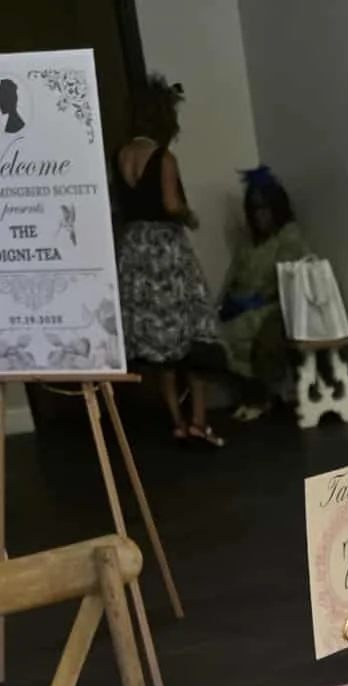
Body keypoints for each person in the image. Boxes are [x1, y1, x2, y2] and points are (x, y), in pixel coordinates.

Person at [114, 75, 225, 447]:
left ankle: (177, 422)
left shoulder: (120, 155)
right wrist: (191, 215)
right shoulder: (164, 158)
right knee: (196, 333)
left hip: (134, 249)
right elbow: (171, 206)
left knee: (162, 348)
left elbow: (121, 205)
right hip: (164, 248)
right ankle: (199, 420)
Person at [218, 167, 306, 420]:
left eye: (264, 208)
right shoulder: (249, 244)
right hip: (245, 305)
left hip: (274, 306)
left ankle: (261, 395)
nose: (259, 216)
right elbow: (234, 274)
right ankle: (252, 394)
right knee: (219, 331)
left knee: (247, 331)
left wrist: (255, 301)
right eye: (254, 209)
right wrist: (228, 301)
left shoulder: (289, 238)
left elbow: (293, 279)